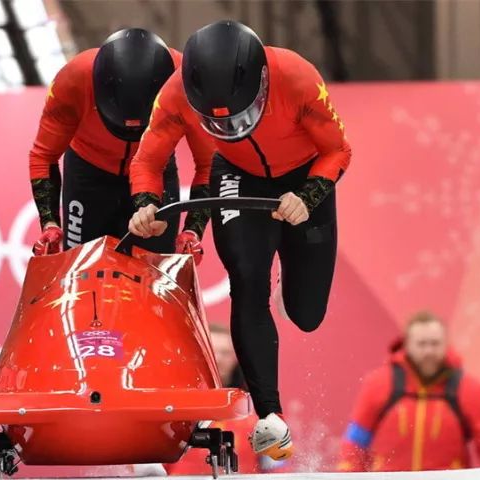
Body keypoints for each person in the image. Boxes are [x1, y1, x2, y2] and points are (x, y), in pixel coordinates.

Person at [128, 20, 351, 460]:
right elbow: (148, 159)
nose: (230, 125)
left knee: (307, 314)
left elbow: (338, 150)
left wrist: (309, 197)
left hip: (305, 175)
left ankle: (294, 269)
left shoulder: (298, 77)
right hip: (235, 174)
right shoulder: (172, 96)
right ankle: (270, 416)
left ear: (263, 84)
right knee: (247, 280)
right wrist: (146, 203)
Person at [28, 28, 204, 258]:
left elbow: (209, 163)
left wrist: (193, 230)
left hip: (155, 173)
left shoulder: (185, 83)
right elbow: (44, 155)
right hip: (88, 177)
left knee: (155, 276)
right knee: (81, 267)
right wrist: (49, 223)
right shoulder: (73, 79)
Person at [338, 311, 480, 472]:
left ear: (446, 344)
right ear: (407, 345)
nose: (429, 351)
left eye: (435, 343)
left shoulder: (469, 389)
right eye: (422, 344)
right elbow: (355, 442)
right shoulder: (378, 384)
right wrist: (348, 473)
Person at [166, 323, 284, 475]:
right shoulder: (171, 408)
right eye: (212, 352)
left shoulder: (259, 411)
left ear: (237, 359)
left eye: (225, 352)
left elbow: (276, 470)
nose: (218, 359)